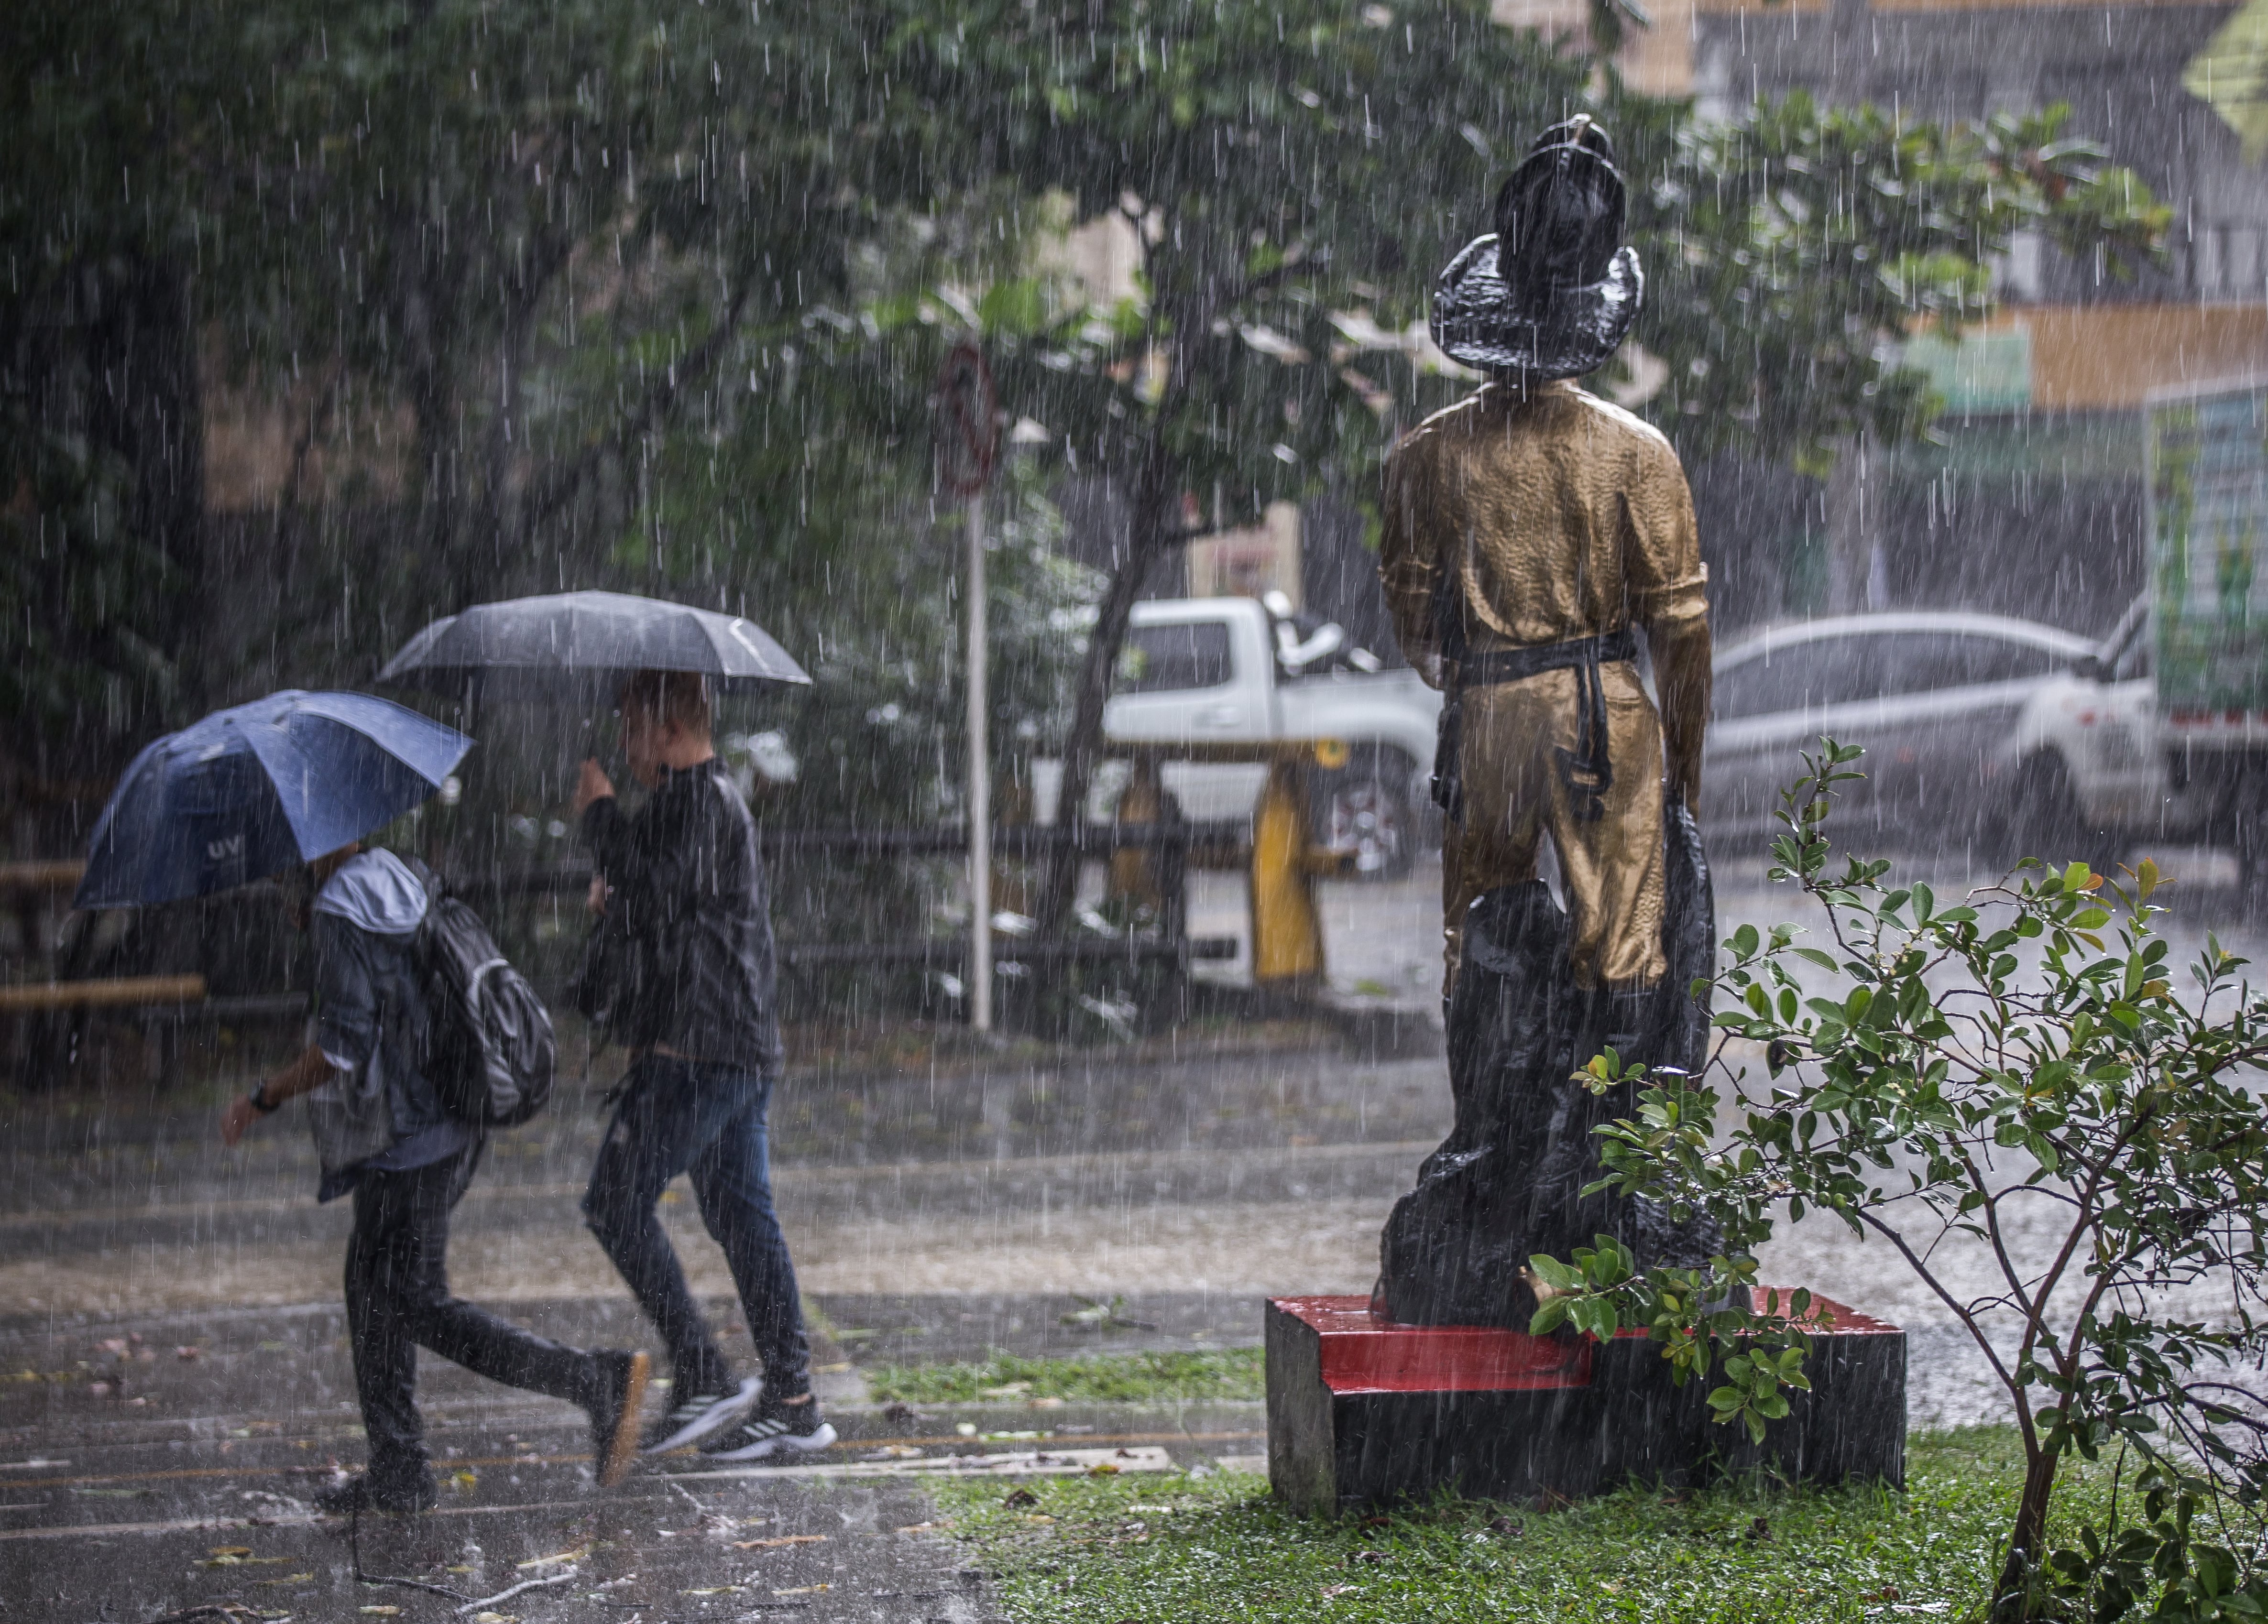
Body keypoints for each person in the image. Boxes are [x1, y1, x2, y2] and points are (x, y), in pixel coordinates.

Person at [1380, 115, 1711, 999]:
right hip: (1603, 715)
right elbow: (1683, 630)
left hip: (1488, 712)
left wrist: (1477, 670)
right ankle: (1612, 1090)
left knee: (1479, 947)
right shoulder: (1638, 454)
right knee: (1626, 954)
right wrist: (1683, 769)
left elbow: (1415, 623)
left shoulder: (1428, 454)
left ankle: (1494, 1083)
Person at [222, 841, 649, 1514]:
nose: (282, 871)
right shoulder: (399, 873)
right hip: (453, 1113)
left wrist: (263, 1096)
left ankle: (593, 1380)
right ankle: (398, 1467)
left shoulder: (342, 906)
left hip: (409, 1139)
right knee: (372, 1291)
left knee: (411, 1300)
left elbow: (341, 1047)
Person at [571, 669, 833, 1461]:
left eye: (631, 726)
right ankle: (792, 1401)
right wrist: (618, 891)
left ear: (669, 730)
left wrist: (599, 816)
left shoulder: (700, 801)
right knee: (744, 1219)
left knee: (616, 1202)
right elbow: (665, 906)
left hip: (702, 1050)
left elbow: (656, 896)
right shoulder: (696, 802)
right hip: (728, 1045)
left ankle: (705, 1372)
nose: (624, 742)